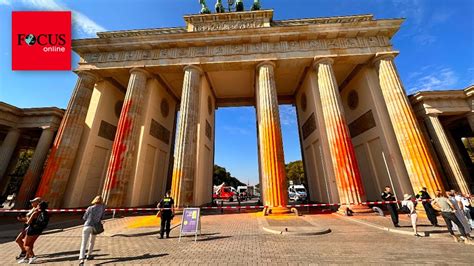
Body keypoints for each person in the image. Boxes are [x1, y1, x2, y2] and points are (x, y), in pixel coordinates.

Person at [79, 196, 106, 264]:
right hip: (95, 227)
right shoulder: (102, 208)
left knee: (83, 243)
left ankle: (81, 259)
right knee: (92, 242)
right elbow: (102, 217)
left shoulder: (90, 208)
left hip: (87, 226)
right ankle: (89, 255)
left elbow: (84, 217)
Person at [15, 197, 41, 261]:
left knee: (19, 240)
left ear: (38, 202)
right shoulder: (33, 209)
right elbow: (29, 219)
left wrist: (25, 219)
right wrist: (22, 219)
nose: (31, 202)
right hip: (26, 226)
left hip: (29, 227)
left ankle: (27, 254)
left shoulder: (36, 210)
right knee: (27, 243)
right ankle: (26, 254)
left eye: (33, 201)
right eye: (31, 201)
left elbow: (31, 220)